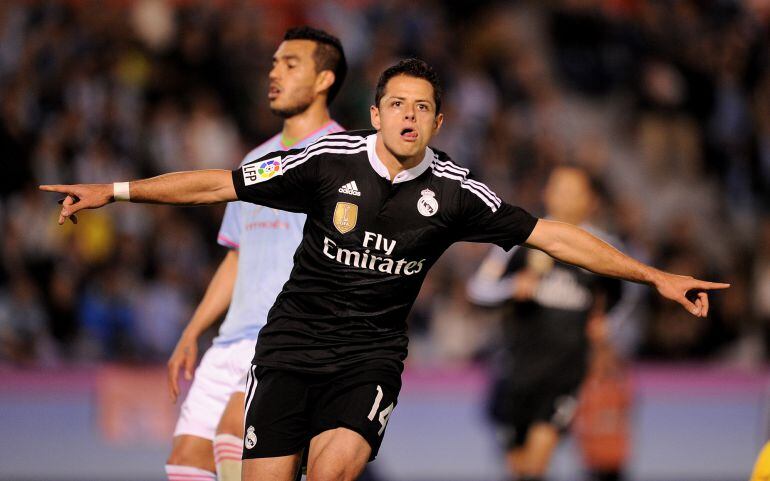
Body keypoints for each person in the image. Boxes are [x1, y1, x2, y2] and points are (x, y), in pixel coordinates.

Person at [41, 58, 729, 481]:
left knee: (334, 469)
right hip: (288, 349)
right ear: (375, 114)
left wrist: (653, 275)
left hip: (367, 359)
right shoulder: (324, 162)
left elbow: (552, 234)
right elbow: (218, 184)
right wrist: (118, 190)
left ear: (436, 122)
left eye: (422, 106)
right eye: (396, 103)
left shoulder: (456, 192)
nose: (408, 114)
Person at [163, 26, 346, 481]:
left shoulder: (347, 156)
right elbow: (236, 258)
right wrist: (194, 329)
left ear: (324, 79)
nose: (273, 73)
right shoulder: (255, 163)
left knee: (233, 431)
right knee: (185, 463)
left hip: (286, 341)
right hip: (230, 341)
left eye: (290, 64)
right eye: (272, 63)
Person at [466, 166, 625, 481]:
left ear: (590, 201)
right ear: (547, 193)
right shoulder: (522, 238)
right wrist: (513, 288)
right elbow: (478, 291)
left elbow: (624, 294)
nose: (564, 198)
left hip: (564, 372)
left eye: (573, 191)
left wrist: (604, 323)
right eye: (559, 189)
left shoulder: (601, 248)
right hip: (516, 371)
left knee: (538, 463)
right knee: (520, 469)